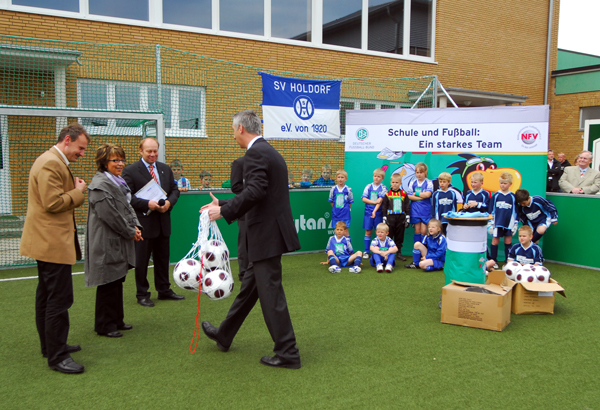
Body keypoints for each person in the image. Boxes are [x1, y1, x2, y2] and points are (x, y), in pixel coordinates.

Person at [200, 110, 301, 369]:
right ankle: (224, 335)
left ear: (241, 129)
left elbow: (255, 191)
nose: (233, 135)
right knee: (250, 292)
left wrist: (223, 211)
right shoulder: (267, 151)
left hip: (266, 236)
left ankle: (288, 353)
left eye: (233, 130)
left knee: (271, 296)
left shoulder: (255, 153)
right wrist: (224, 203)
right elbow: (261, 194)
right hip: (269, 233)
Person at [20, 123, 89, 374]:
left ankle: (51, 346)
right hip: (51, 243)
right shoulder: (51, 162)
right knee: (58, 299)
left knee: (47, 296)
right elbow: (52, 203)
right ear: (67, 140)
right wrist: (78, 192)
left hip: (46, 241)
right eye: (80, 148)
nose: (82, 154)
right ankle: (57, 356)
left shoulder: (50, 160)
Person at [85, 144, 143, 338]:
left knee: (117, 279)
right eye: (115, 160)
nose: (120, 164)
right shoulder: (99, 185)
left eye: (121, 159)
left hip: (119, 239)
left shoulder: (118, 181)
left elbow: (128, 207)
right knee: (107, 281)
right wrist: (130, 231)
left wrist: (135, 226)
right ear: (104, 162)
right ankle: (104, 325)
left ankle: (117, 320)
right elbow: (111, 216)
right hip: (106, 241)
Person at [122, 138, 184, 307]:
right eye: (149, 151)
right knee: (141, 261)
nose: (152, 154)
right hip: (143, 223)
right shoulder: (130, 171)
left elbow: (174, 189)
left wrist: (169, 203)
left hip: (163, 221)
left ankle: (164, 290)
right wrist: (146, 204)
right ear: (140, 151)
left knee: (163, 258)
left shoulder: (164, 169)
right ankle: (142, 293)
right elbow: (128, 196)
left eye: (155, 151)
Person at [405, 162, 433, 267]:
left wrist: (416, 194)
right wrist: (422, 197)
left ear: (425, 172)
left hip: (425, 210)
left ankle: (424, 254)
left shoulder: (429, 182)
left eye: (421, 172)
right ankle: (416, 256)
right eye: (417, 172)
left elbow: (428, 194)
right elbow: (409, 196)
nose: (419, 174)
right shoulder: (413, 182)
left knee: (424, 231)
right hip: (415, 210)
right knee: (417, 230)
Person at [489, 172, 517, 268]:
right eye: (501, 183)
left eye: (505, 183)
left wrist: (515, 223)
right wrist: (491, 223)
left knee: (508, 242)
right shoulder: (496, 195)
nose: (502, 185)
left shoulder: (513, 197)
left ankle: (507, 262)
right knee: (495, 241)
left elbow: (515, 211)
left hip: (508, 224)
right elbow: (491, 210)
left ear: (510, 184)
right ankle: (493, 261)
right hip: (497, 223)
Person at [381, 173, 410, 261]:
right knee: (389, 235)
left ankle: (399, 252)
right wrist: (384, 217)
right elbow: (384, 206)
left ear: (400, 183)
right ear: (390, 182)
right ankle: (388, 252)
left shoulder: (404, 193)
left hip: (401, 217)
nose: (395, 184)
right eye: (393, 182)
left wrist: (408, 217)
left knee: (399, 236)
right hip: (390, 217)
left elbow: (407, 205)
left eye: (397, 182)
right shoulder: (387, 194)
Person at [361, 168, 388, 259]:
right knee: (368, 232)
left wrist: (374, 211)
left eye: (379, 177)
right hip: (368, 213)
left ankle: (379, 251)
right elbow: (364, 199)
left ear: (382, 178)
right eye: (375, 176)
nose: (376, 178)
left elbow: (380, 201)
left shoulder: (383, 188)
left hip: (378, 213)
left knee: (379, 233)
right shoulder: (368, 186)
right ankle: (366, 251)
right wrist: (373, 202)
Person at [230, 156, 248, 282]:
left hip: (262, 210)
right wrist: (252, 189)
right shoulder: (240, 162)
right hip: (245, 208)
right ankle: (243, 272)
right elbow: (235, 187)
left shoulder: (263, 161)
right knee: (244, 241)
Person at [328, 169, 353, 236]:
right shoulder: (333, 189)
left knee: (345, 231)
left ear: (346, 179)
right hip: (336, 214)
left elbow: (350, 202)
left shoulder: (348, 189)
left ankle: (347, 246)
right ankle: (336, 246)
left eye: (342, 177)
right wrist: (336, 210)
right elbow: (332, 202)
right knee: (337, 231)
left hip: (345, 215)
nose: (340, 179)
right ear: (336, 178)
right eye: (339, 177)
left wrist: (345, 209)